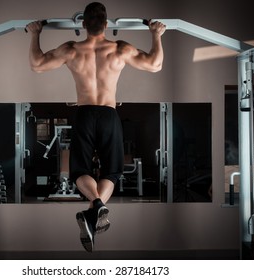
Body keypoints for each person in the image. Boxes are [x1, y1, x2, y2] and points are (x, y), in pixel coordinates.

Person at [27, 2, 166, 252]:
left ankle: (96, 209)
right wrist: (155, 35)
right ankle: (97, 207)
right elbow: (155, 65)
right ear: (105, 24)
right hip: (109, 113)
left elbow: (37, 65)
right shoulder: (120, 49)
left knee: (79, 169)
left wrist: (36, 33)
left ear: (83, 23)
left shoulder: (71, 49)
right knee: (111, 172)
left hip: (84, 113)